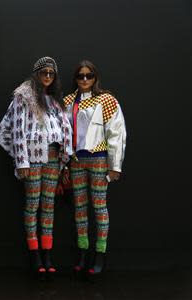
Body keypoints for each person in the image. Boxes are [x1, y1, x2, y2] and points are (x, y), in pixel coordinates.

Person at [0, 57, 73, 277]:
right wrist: (22, 161)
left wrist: (64, 157)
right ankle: (34, 254)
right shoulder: (24, 97)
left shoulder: (55, 101)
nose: (48, 76)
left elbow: (63, 128)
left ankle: (47, 253)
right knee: (32, 204)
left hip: (53, 156)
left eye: (51, 73)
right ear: (36, 74)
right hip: (32, 157)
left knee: (48, 205)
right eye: (44, 72)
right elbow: (17, 130)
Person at [63, 60, 126, 276]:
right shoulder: (68, 101)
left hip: (99, 159)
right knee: (79, 208)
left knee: (99, 207)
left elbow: (117, 133)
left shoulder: (107, 100)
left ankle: (100, 254)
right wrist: (64, 161)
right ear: (76, 79)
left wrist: (114, 166)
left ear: (95, 77)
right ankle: (83, 251)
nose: (85, 80)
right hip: (77, 161)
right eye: (80, 76)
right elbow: (63, 133)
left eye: (89, 76)